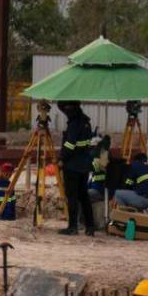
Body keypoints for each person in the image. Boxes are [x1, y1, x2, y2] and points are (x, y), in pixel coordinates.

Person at [57, 101, 96, 237]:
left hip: (72, 166)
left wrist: (61, 159)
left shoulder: (74, 123)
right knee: (84, 196)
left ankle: (73, 227)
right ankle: (90, 227)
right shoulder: (86, 122)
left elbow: (69, 145)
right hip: (84, 165)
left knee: (72, 196)